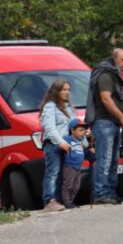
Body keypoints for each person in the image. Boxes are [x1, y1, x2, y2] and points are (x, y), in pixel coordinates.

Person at [85, 48, 123, 205]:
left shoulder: (114, 75)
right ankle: (101, 193)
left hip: (112, 122)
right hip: (104, 121)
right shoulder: (106, 75)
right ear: (115, 59)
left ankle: (110, 192)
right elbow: (106, 99)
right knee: (104, 159)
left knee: (113, 160)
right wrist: (122, 116)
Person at [39, 79, 74, 211]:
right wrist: (60, 142)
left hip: (67, 145)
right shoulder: (50, 106)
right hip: (54, 144)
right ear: (56, 91)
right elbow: (49, 127)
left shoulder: (68, 107)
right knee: (52, 173)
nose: (67, 92)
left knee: (62, 175)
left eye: (68, 90)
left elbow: (74, 126)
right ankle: (49, 200)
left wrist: (84, 143)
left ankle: (59, 201)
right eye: (64, 89)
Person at [62, 119, 92, 209]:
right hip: (69, 166)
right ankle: (66, 202)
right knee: (68, 185)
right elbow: (60, 147)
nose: (83, 132)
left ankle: (71, 201)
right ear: (72, 130)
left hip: (78, 167)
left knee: (76, 186)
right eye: (80, 130)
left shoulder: (81, 141)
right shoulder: (67, 139)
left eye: (84, 130)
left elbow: (82, 152)